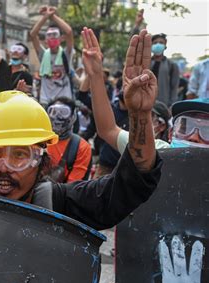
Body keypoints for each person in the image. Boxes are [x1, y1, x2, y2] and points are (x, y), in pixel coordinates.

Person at [0, 28, 161, 283]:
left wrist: (139, 116)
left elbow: (130, 184)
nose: (4, 168)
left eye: (19, 155)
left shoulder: (59, 202)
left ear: (41, 157)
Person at [83, 28, 173, 157]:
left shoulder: (170, 66)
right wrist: (95, 75)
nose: (194, 136)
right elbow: (107, 130)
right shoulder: (162, 150)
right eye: (186, 125)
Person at [30, 5, 74, 105]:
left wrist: (53, 16)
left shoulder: (66, 54)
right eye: (49, 36)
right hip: (45, 101)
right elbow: (33, 35)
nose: (52, 38)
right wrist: (45, 17)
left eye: (55, 35)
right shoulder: (43, 55)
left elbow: (69, 32)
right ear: (45, 40)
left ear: (61, 39)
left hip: (64, 101)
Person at [0, 5, 33, 93]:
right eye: (13, 49)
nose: (15, 52)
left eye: (19, 50)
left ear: (25, 56)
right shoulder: (4, 68)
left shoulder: (27, 76)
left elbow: (28, 97)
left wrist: (20, 91)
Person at [46, 96, 92, 183]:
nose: (57, 117)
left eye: (63, 112)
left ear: (73, 116)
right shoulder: (39, 141)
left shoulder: (80, 147)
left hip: (61, 195)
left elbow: (73, 187)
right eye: (53, 111)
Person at [151, 33, 179, 106]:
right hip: (145, 102)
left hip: (163, 104)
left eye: (161, 42)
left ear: (165, 45)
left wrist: (172, 105)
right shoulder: (146, 63)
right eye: (155, 43)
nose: (158, 45)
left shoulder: (172, 65)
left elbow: (174, 87)